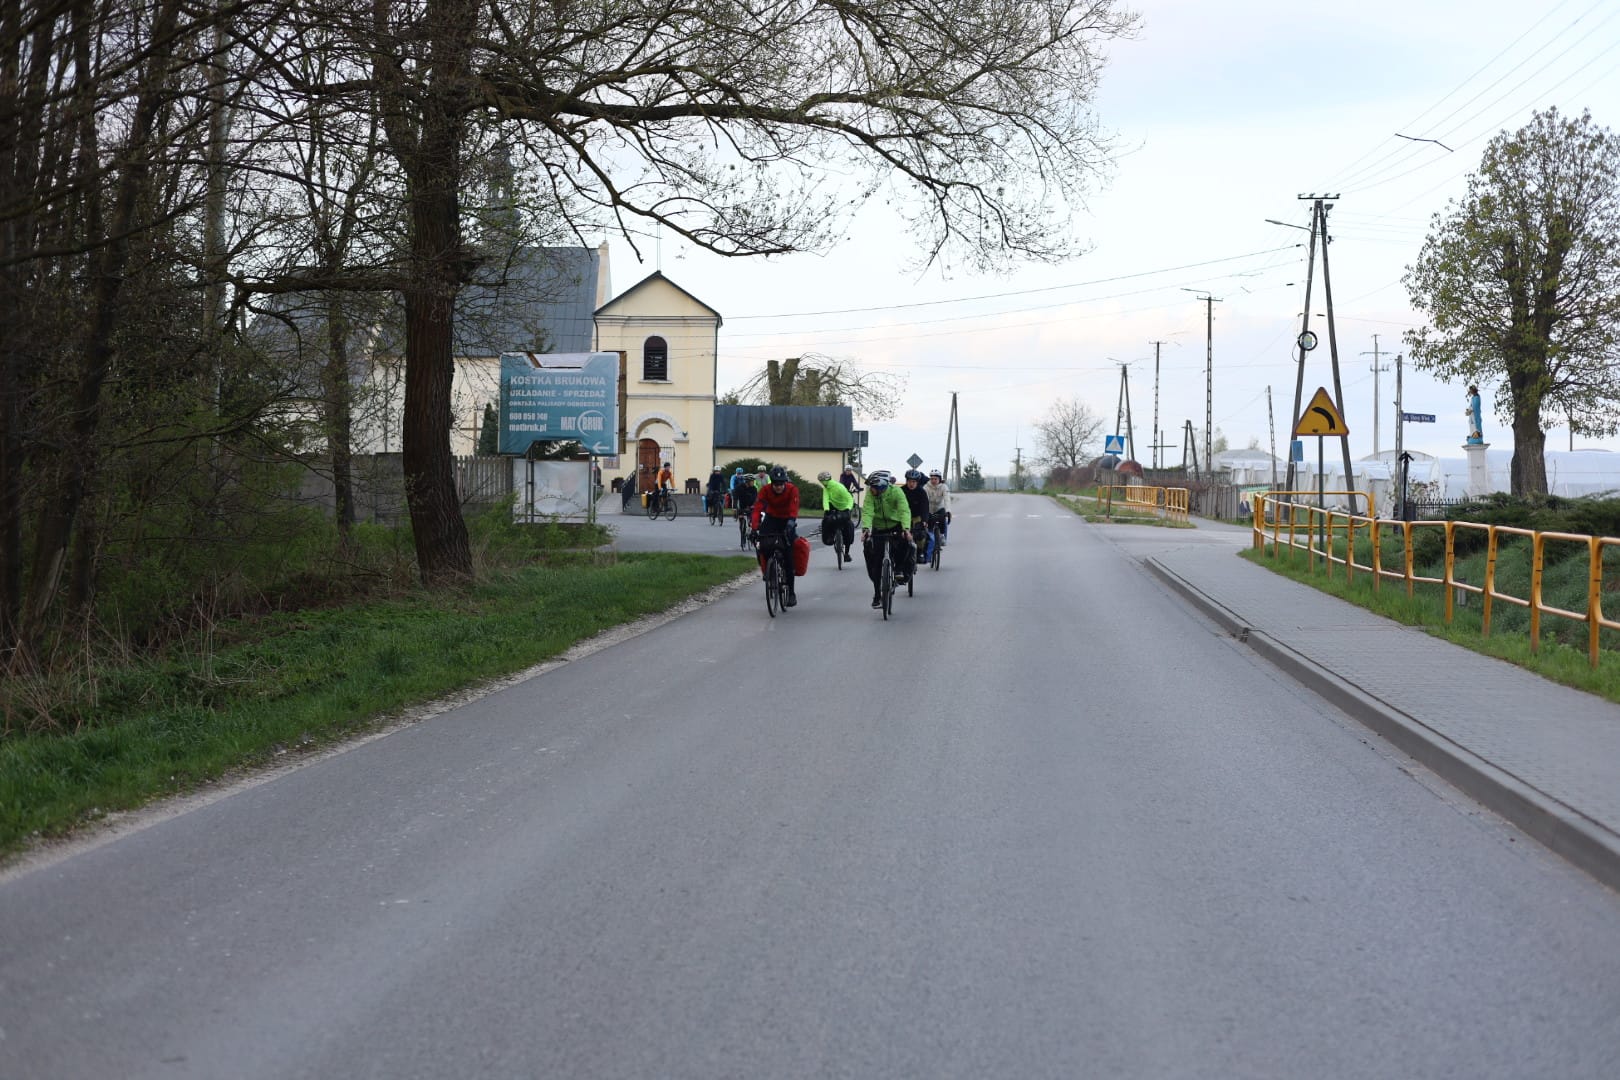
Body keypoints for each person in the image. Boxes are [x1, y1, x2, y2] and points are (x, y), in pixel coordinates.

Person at [861, 470, 914, 608]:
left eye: (873, 487)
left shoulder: (896, 492)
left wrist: (906, 529)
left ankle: (899, 569)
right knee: (875, 560)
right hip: (878, 527)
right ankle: (877, 595)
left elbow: (904, 510)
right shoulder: (871, 494)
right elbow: (867, 510)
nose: (870, 490)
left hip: (895, 525)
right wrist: (866, 528)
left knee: (905, 543)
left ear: (881, 486)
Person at [750, 465, 801, 606]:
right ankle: (769, 570)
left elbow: (794, 507)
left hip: (787, 519)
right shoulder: (765, 490)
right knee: (763, 544)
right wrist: (754, 528)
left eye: (781, 483)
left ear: (785, 482)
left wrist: (791, 521)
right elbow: (757, 509)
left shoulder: (792, 489)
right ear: (772, 482)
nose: (778, 487)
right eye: (776, 484)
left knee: (788, 555)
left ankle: (791, 593)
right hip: (771, 518)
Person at [900, 469, 930, 577]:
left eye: (913, 482)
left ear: (917, 482)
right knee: (900, 537)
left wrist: (925, 520)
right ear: (906, 481)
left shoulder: (921, 492)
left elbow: (925, 507)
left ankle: (920, 552)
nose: (911, 484)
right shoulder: (901, 490)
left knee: (921, 534)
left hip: (916, 516)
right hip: (903, 517)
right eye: (909, 481)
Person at [818, 469, 855, 551]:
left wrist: (848, 508)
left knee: (848, 525)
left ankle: (847, 552)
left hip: (845, 506)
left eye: (821, 481)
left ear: (825, 481)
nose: (821, 483)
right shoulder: (826, 488)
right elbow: (825, 499)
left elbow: (850, 498)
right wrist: (826, 509)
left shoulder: (839, 487)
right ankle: (830, 536)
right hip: (834, 505)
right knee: (826, 519)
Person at [924, 468, 952, 546]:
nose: (933, 481)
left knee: (943, 518)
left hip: (940, 508)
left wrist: (948, 511)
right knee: (928, 523)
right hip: (929, 508)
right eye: (932, 479)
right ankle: (929, 536)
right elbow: (925, 500)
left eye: (935, 479)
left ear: (939, 479)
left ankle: (942, 535)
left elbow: (947, 499)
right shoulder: (926, 487)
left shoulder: (944, 487)